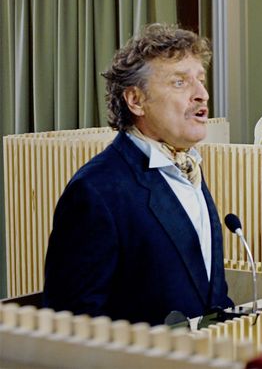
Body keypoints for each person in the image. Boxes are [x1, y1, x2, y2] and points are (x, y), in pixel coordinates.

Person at [43, 23, 234, 325]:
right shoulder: (95, 191)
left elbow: (209, 296)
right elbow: (73, 329)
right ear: (136, 100)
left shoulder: (190, 169)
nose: (202, 94)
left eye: (201, 80)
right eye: (180, 82)